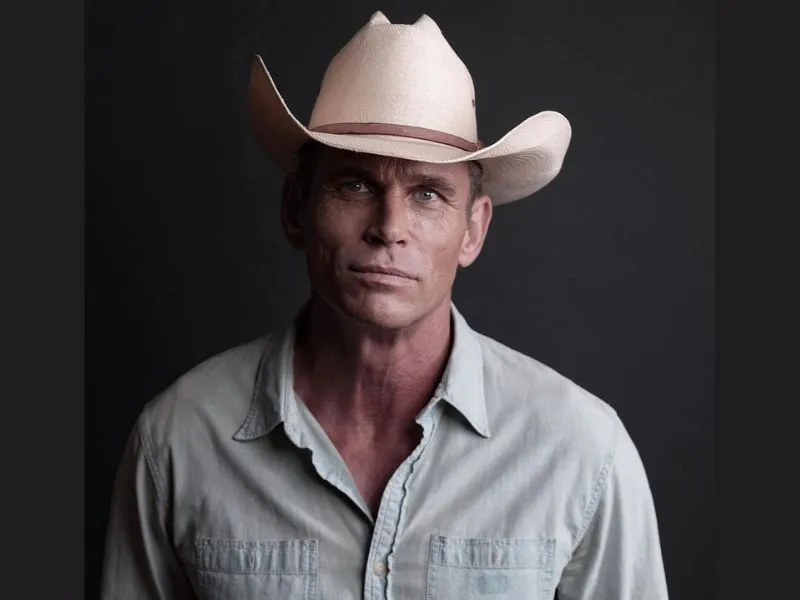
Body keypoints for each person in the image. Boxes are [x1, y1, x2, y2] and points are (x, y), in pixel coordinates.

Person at [101, 11, 669, 600]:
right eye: (355, 185)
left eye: (428, 194)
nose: (389, 227)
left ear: (473, 230)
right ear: (296, 210)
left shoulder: (579, 449)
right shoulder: (178, 440)